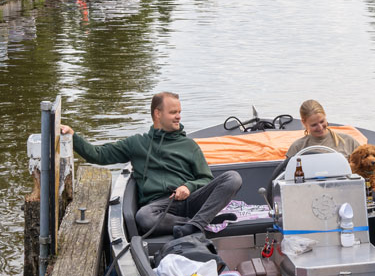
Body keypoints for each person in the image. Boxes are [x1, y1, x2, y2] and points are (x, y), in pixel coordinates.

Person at [61, 91, 242, 238]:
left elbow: (205, 179)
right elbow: (98, 155)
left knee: (232, 178)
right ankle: (196, 223)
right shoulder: (136, 144)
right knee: (143, 217)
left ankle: (196, 223)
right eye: (173, 112)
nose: (178, 116)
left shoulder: (189, 145)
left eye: (179, 112)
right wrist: (72, 136)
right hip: (160, 206)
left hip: (190, 199)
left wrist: (188, 187)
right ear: (157, 113)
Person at [285, 99, 360, 159]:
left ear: (325, 116)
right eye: (314, 125)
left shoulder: (348, 141)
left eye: (322, 121)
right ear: (304, 123)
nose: (320, 127)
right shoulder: (297, 148)